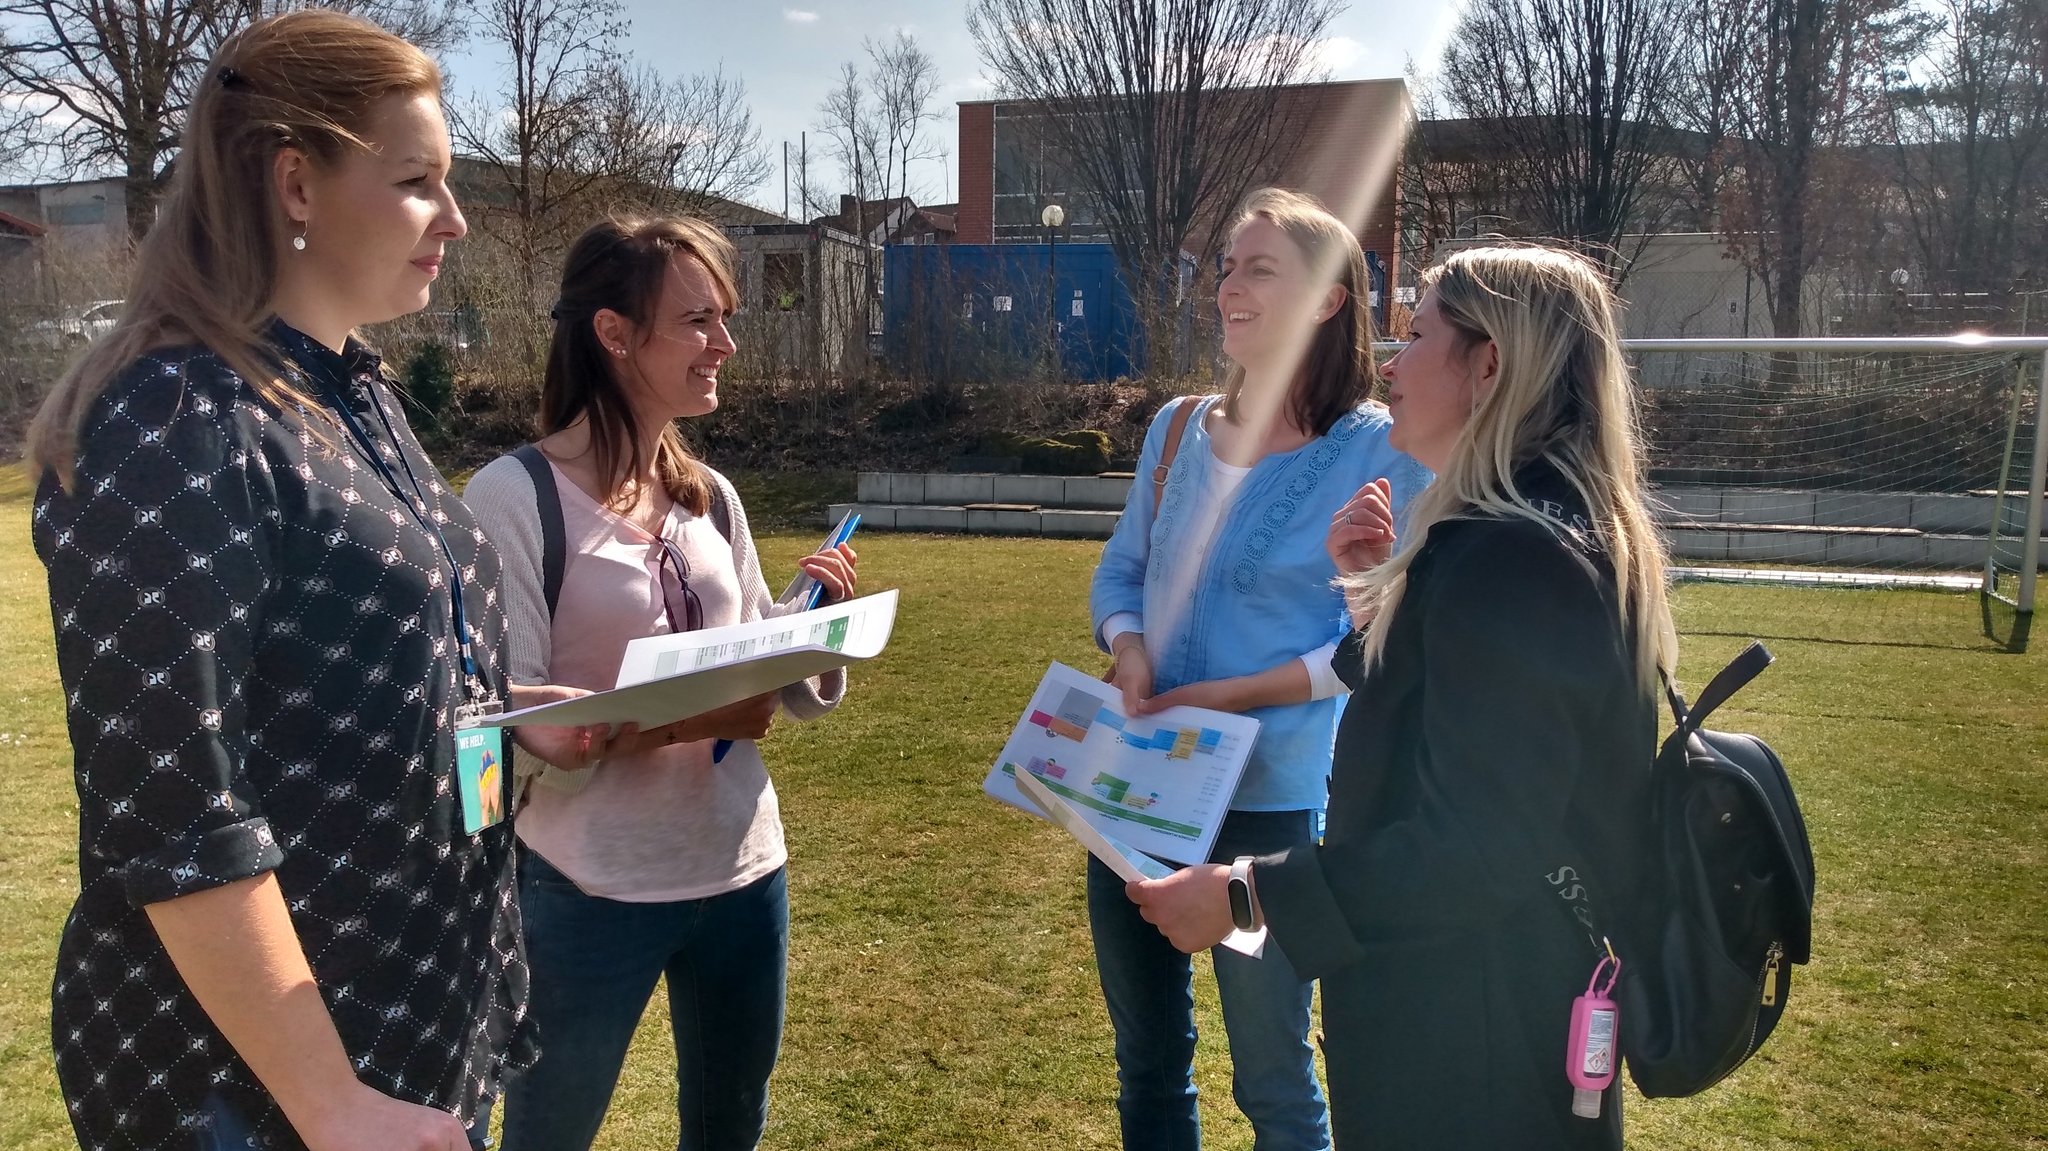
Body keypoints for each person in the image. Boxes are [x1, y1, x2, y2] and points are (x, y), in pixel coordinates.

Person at [28, 11, 532, 1150]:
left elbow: (348, 684)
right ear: (294, 183)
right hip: (256, 1092)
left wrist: (502, 722)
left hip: (415, 1032)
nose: (453, 218)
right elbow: (173, 810)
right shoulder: (174, 418)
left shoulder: (356, 397)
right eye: (418, 181)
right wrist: (329, 1101)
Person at [1128, 245, 1678, 1150]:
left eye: (1419, 333)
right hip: (1479, 1023)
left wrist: (1241, 895)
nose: (1391, 363)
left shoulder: (1516, 559)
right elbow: (1448, 723)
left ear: (1489, 364)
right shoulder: (1509, 539)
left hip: (1475, 1045)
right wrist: (1370, 591)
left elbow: (1473, 849)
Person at [462, 215, 858, 1151]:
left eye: (725, 317)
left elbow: (770, 670)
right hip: (585, 887)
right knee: (550, 1132)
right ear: (614, 333)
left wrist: (814, 633)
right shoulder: (512, 498)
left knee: (730, 1128)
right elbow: (492, 715)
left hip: (743, 870)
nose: (725, 343)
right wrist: (653, 725)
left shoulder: (711, 494)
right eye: (698, 321)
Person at [1086, 188, 1429, 1151]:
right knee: (1148, 1062)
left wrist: (1225, 695)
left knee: (1274, 1077)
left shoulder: (1379, 448)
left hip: (1268, 801)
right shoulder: (1174, 429)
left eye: (1260, 267)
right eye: (1227, 266)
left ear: (1326, 298)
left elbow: (1378, 642)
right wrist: (1131, 649)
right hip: (1134, 783)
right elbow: (1120, 571)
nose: (1229, 286)